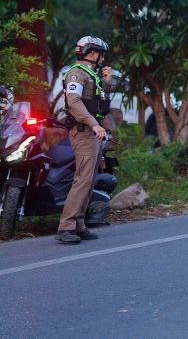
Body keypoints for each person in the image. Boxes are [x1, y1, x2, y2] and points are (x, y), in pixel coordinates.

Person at [56, 36, 114, 244]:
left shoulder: (91, 75)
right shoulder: (76, 75)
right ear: (91, 53)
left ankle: (79, 224)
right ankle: (67, 226)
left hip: (94, 133)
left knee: (89, 180)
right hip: (84, 132)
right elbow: (74, 103)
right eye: (100, 53)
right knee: (82, 180)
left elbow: (98, 102)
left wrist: (107, 83)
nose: (102, 57)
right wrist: (94, 124)